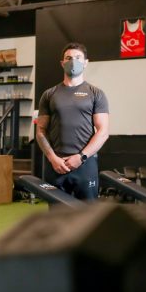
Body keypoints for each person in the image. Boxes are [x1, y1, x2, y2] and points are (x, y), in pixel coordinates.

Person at [36, 42, 110, 200]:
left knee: (88, 216)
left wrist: (81, 157)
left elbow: (103, 132)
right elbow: (41, 130)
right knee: (57, 217)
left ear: (85, 62)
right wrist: (52, 158)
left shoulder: (96, 93)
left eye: (78, 57)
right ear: (62, 63)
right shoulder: (49, 94)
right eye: (68, 58)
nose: (73, 61)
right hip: (56, 165)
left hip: (84, 164)